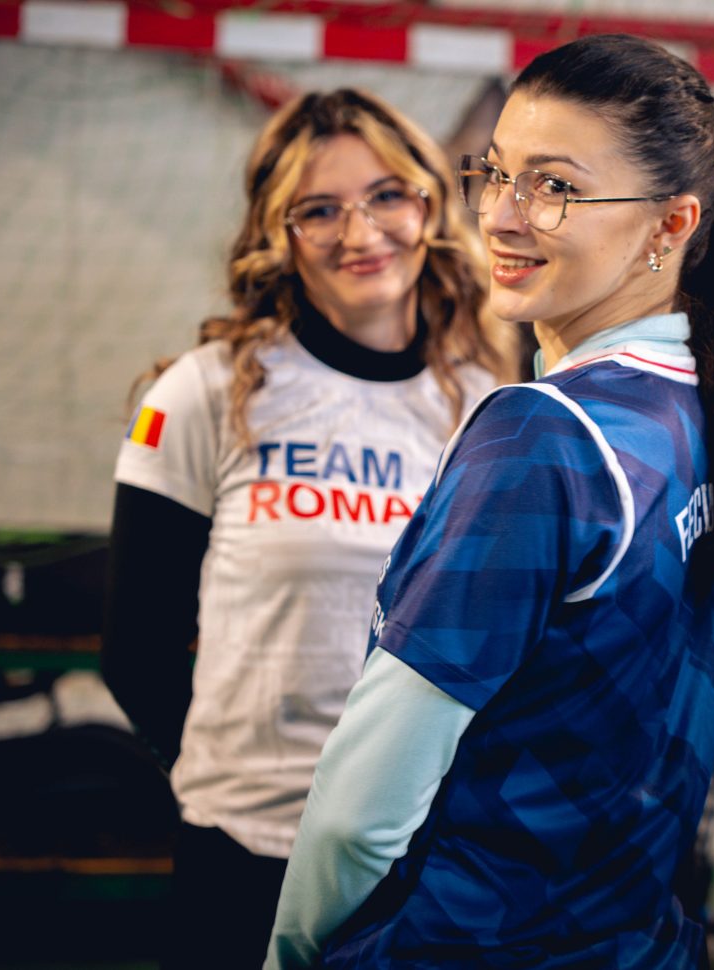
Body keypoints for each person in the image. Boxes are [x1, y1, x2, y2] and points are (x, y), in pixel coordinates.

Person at [264, 34, 714, 969]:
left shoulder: (541, 438)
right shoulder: (711, 401)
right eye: (496, 174)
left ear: (671, 225)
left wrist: (292, 954)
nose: (501, 217)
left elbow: (361, 814)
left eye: (554, 187)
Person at [100, 88, 513, 969]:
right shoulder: (207, 392)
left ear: (430, 209)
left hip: (419, 859)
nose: (360, 233)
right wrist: (226, 787)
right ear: (277, 234)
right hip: (241, 850)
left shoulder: (489, 412)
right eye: (319, 209)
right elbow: (135, 647)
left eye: (386, 196)